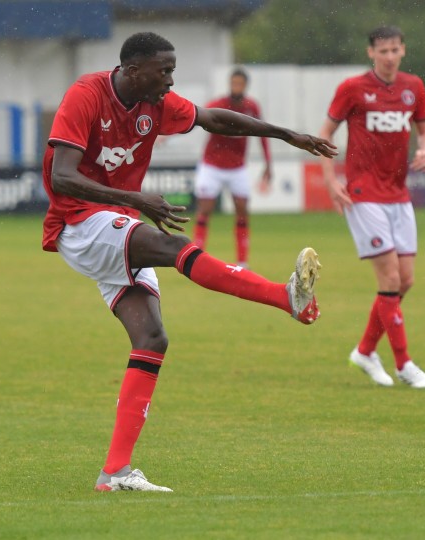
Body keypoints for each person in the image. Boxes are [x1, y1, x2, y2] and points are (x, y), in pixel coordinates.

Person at [42, 32, 336, 492]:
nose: (170, 80)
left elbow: (214, 119)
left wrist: (284, 133)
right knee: (168, 247)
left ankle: (114, 473)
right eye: (164, 70)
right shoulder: (86, 95)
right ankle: (285, 298)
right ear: (133, 69)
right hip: (77, 224)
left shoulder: (156, 104)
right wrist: (135, 198)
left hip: (113, 224)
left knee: (152, 338)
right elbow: (62, 176)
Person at [318, 26, 425, 389]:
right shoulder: (353, 88)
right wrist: (330, 182)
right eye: (382, 50)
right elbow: (324, 135)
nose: (389, 56)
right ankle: (404, 365)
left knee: (405, 281)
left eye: (395, 50)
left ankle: (365, 351)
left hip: (398, 195)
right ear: (371, 53)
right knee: (388, 279)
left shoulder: (413, 87)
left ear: (403, 51)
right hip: (362, 193)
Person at [193, 67, 272, 268]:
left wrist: (268, 163)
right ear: (230, 84)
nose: (237, 87)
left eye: (240, 84)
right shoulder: (218, 104)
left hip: (237, 167)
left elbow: (262, 134)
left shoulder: (251, 106)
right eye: (234, 83)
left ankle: (242, 262)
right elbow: (194, 117)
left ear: (246, 85)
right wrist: (168, 133)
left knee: (242, 211)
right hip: (212, 165)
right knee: (205, 209)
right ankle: (196, 257)